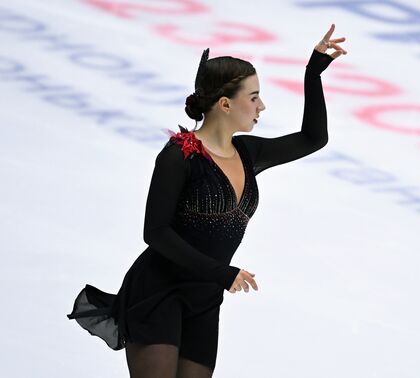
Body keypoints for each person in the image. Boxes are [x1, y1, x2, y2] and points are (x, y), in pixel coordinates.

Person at [67, 24, 347, 378]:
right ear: (226, 104)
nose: (262, 105)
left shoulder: (249, 152)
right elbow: (155, 232)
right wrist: (222, 273)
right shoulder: (179, 157)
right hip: (158, 292)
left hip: (205, 299)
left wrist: (314, 71)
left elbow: (312, 138)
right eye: (254, 97)